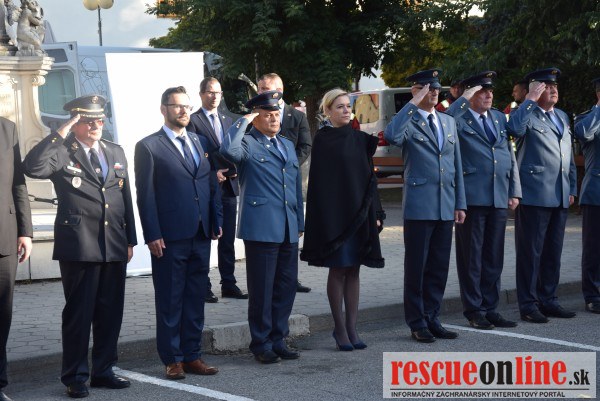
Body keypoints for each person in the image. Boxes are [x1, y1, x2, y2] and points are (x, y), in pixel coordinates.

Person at [23, 95, 136, 398]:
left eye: (99, 119)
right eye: (88, 120)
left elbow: (124, 197)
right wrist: (60, 133)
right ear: (75, 123)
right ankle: (75, 376)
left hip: (113, 243)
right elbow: (32, 167)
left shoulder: (114, 151)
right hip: (80, 244)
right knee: (79, 315)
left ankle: (104, 370)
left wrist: (130, 239)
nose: (96, 125)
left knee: (110, 312)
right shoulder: (63, 151)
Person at [134, 86, 222, 380]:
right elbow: (145, 195)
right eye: (177, 106)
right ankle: (172, 359)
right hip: (169, 237)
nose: (184, 111)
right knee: (170, 300)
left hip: (200, 233)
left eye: (187, 106)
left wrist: (215, 219)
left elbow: (210, 183)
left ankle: (193, 355)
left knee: (195, 297)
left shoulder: (199, 141)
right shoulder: (149, 146)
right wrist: (152, 234)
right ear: (164, 109)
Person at [220, 90, 304, 364]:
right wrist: (243, 121)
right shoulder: (247, 143)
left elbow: (294, 186)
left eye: (276, 113)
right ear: (256, 116)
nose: (274, 118)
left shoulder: (287, 144)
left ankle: (279, 339)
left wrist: (300, 221)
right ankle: (261, 342)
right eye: (267, 114)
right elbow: (227, 150)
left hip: (288, 226)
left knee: (285, 287)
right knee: (262, 290)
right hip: (261, 228)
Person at [384, 69, 466, 343]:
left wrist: (460, 203)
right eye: (427, 88)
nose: (433, 92)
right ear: (415, 91)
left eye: (436, 88)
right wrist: (412, 104)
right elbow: (392, 135)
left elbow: (456, 164)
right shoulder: (408, 120)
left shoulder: (447, 121)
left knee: (438, 267)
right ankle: (417, 321)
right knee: (417, 268)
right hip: (419, 206)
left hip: (445, 204)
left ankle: (432, 317)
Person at [300, 89, 384, 351]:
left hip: (360, 215)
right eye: (340, 107)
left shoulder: (359, 139)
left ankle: (352, 328)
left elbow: (369, 178)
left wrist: (376, 212)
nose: (346, 110)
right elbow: (320, 187)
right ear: (328, 111)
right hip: (336, 218)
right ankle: (339, 329)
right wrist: (326, 221)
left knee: (354, 269)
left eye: (348, 106)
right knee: (338, 269)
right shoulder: (323, 140)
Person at [448, 71, 521, 330]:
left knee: (493, 256)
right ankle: (474, 309)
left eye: (490, 90)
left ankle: (491, 307)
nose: (489, 94)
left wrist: (514, 190)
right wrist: (462, 100)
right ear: (470, 94)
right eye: (482, 91)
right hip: (472, 197)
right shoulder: (458, 117)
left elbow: (508, 154)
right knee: (472, 258)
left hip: (498, 195)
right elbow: (446, 119)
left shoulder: (499, 118)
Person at [506, 68, 577, 323]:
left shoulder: (561, 116)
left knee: (552, 252)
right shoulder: (525, 113)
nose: (553, 89)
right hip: (534, 193)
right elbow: (514, 129)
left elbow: (567, 155)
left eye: (555, 86)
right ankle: (528, 304)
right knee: (530, 252)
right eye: (547, 86)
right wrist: (529, 100)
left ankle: (549, 299)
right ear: (535, 90)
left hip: (560, 193)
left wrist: (572, 187)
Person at [187, 77, 247, 303]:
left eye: (218, 93)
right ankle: (204, 286)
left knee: (227, 239)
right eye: (210, 92)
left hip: (229, 188)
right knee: (205, 238)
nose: (214, 96)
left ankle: (229, 283)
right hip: (206, 188)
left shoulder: (229, 120)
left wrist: (235, 170)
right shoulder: (193, 121)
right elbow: (192, 154)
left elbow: (235, 149)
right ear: (201, 94)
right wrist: (213, 173)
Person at [257, 73, 312, 293]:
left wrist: (289, 164)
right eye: (260, 88)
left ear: (279, 90)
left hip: (290, 176)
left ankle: (291, 278)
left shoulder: (295, 116)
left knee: (292, 228)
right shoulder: (256, 115)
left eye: (266, 88)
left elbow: (305, 146)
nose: (261, 92)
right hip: (266, 179)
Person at [0, 118, 32, 401]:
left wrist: (25, 231)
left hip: (4, 236)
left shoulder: (6, 128)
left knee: (2, 315)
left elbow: (18, 182)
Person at [573, 77, 600, 314]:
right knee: (594, 249)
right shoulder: (587, 118)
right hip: (596, 193)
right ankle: (593, 295)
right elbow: (583, 134)